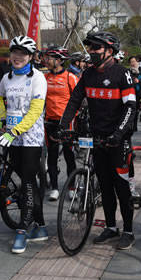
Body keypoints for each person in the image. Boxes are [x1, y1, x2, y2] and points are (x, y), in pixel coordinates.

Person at [59, 30, 138, 249]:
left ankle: (129, 231)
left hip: (118, 140)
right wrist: (64, 126)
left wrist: (119, 134)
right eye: (90, 48)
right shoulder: (88, 75)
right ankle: (111, 227)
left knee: (121, 188)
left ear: (109, 51)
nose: (91, 52)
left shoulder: (123, 74)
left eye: (96, 48)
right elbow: (75, 101)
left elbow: (130, 108)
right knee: (104, 185)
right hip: (97, 138)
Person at [0, 36, 49, 253]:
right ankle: (42, 227)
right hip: (11, 138)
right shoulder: (7, 78)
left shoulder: (38, 78)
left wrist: (16, 130)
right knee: (28, 183)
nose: (17, 57)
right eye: (14, 53)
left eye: (23, 54)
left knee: (27, 182)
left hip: (30, 139)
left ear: (30, 57)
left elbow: (36, 111)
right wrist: (2, 117)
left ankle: (22, 231)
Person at [43, 45, 79, 201]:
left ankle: (72, 187)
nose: (47, 61)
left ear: (59, 60)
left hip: (67, 122)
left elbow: (78, 99)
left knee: (69, 154)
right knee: (51, 155)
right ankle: (55, 188)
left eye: (50, 58)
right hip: (50, 120)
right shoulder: (45, 77)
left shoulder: (70, 77)